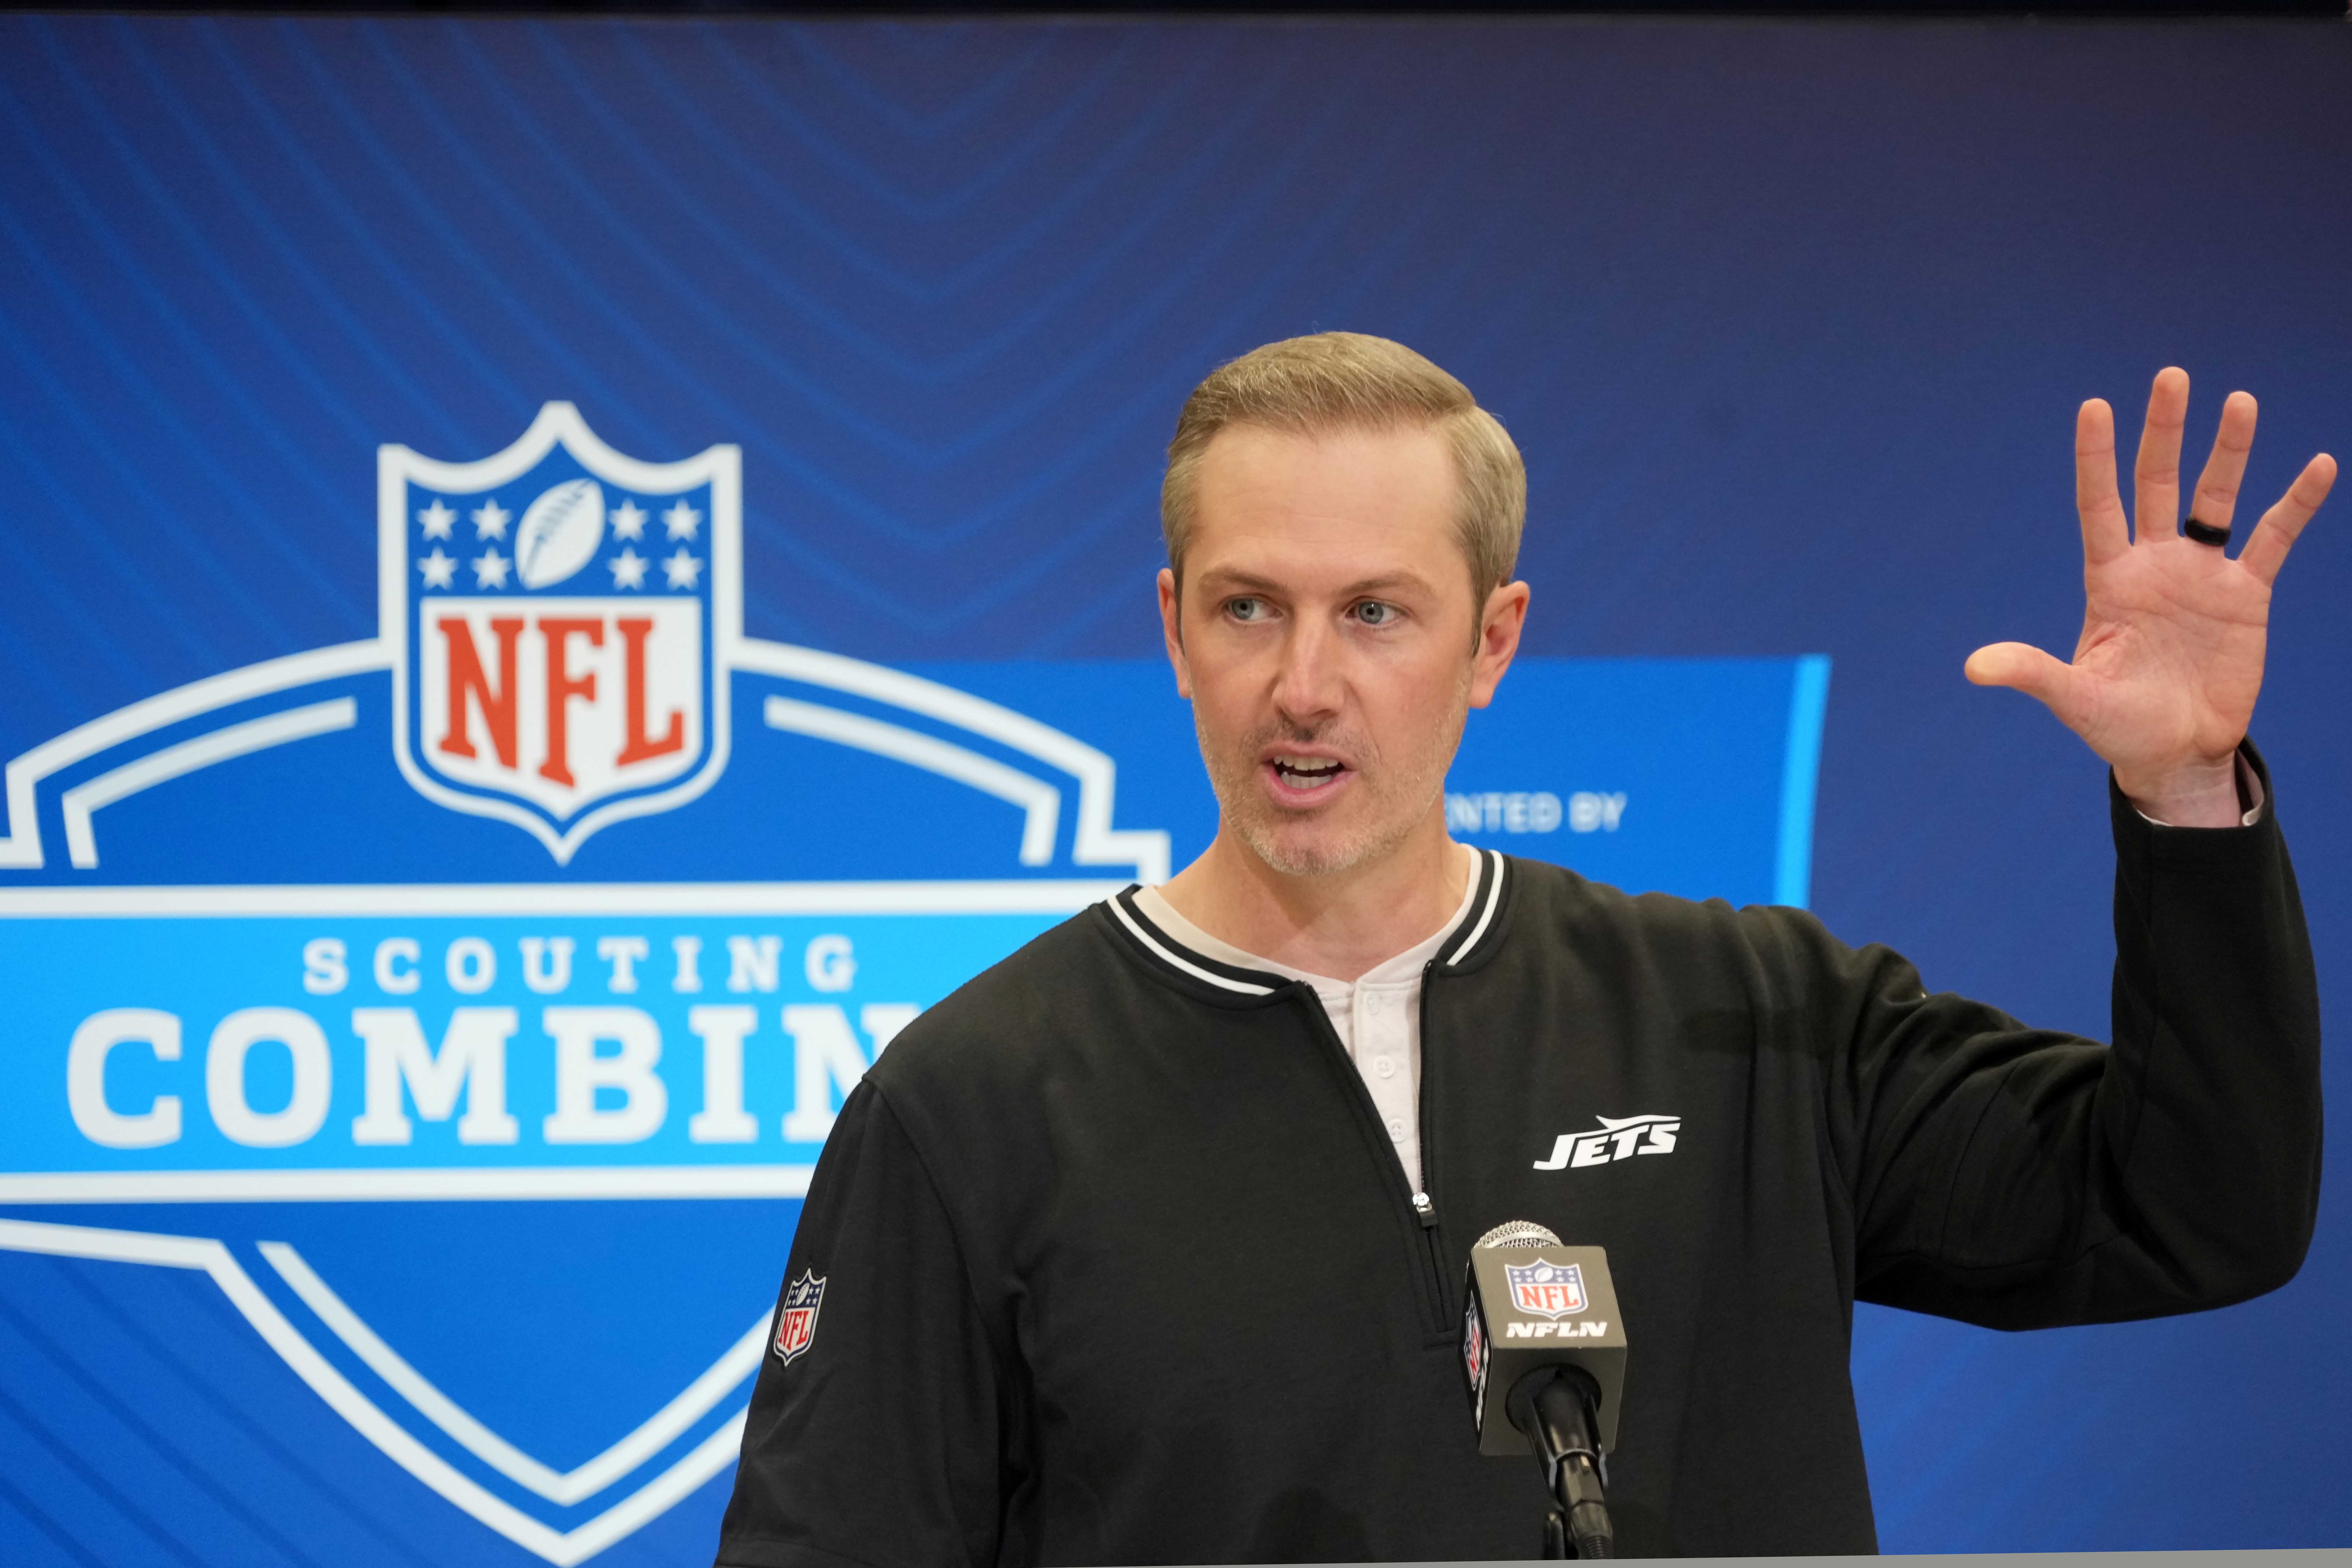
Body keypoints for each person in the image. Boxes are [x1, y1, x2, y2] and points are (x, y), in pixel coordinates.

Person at [716, 333, 2333, 1564]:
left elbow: (2198, 1208)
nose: (1302, 683)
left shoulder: (1748, 1017)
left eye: (1372, 611)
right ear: (1171, 629)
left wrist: (2182, 790)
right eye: (1246, 608)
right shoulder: (973, 1101)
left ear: (1491, 639)